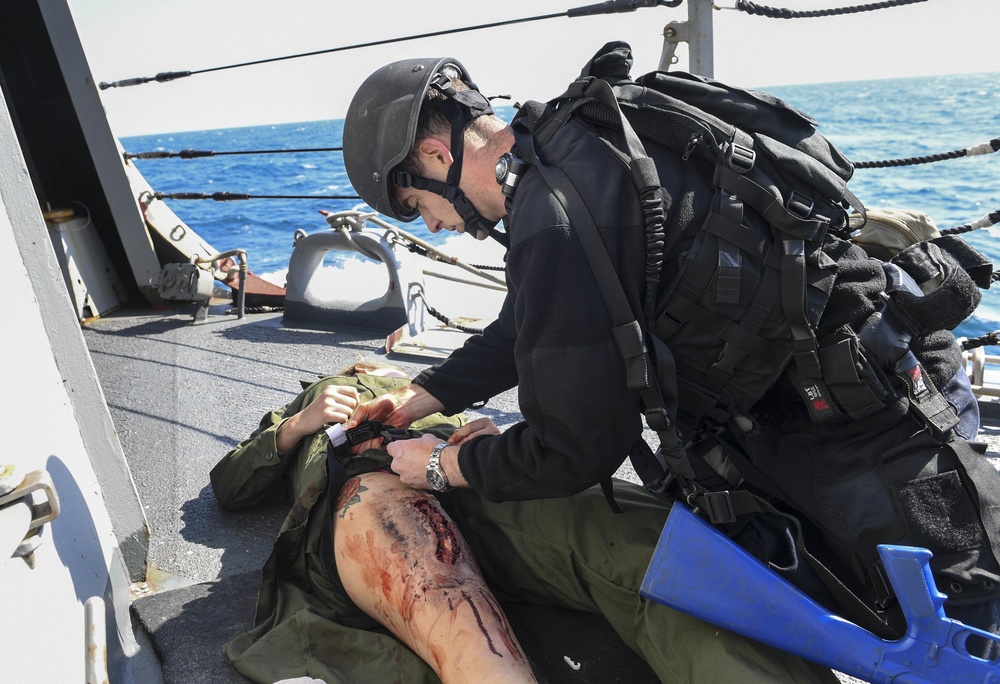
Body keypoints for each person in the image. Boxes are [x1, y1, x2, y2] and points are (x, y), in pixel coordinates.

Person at [341, 43, 1000, 656]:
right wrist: (426, 394)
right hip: (873, 375)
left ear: (434, 154)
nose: (429, 224)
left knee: (965, 644)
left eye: (413, 203)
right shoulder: (581, 138)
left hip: (870, 439)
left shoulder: (556, 216)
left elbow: (573, 451)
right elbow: (538, 321)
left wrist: (444, 467)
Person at [211, 361, 837, 683]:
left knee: (640, 541)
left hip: (463, 474)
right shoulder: (306, 411)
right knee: (450, 603)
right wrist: (301, 422)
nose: (362, 376)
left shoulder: (419, 395)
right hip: (367, 491)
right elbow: (232, 484)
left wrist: (470, 441)